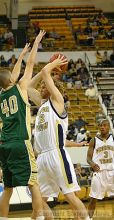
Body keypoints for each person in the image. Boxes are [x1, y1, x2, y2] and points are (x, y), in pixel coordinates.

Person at [28, 56, 90, 220]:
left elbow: (44, 71)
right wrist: (44, 74)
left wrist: (51, 66)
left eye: (44, 85)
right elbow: (28, 87)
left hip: (56, 155)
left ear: (52, 88)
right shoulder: (42, 104)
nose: (41, 87)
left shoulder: (57, 102)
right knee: (39, 199)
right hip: (42, 157)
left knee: (70, 196)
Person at [0, 30, 46, 220]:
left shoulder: (0, 97)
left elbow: (12, 75)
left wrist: (21, 55)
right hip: (20, 143)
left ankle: (2, 218)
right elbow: (31, 66)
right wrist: (36, 44)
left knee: (7, 188)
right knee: (33, 183)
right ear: (11, 80)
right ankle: (39, 217)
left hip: (4, 145)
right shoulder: (21, 87)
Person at [87, 119, 114, 219]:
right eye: (100, 125)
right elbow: (88, 158)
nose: (102, 127)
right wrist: (92, 164)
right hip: (99, 172)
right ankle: (88, 218)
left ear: (109, 127)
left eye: (104, 125)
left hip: (112, 171)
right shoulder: (93, 140)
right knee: (93, 198)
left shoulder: (113, 138)